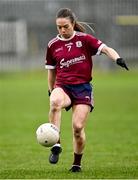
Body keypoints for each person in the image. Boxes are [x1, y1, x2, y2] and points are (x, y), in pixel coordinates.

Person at [45, 8, 129, 172]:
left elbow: (106, 49)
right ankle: (56, 144)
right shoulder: (52, 45)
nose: (62, 30)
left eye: (66, 26)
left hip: (82, 88)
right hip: (63, 86)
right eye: (59, 27)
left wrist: (117, 58)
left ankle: (76, 164)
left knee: (77, 128)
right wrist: (51, 90)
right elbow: (51, 71)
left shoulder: (85, 40)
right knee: (54, 101)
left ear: (73, 24)